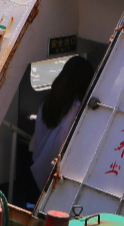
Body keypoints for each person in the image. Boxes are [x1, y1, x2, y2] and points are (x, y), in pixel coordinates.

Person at [29, 55, 94, 187]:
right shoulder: (74, 110)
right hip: (52, 175)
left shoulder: (49, 100)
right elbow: (60, 142)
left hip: (36, 165)